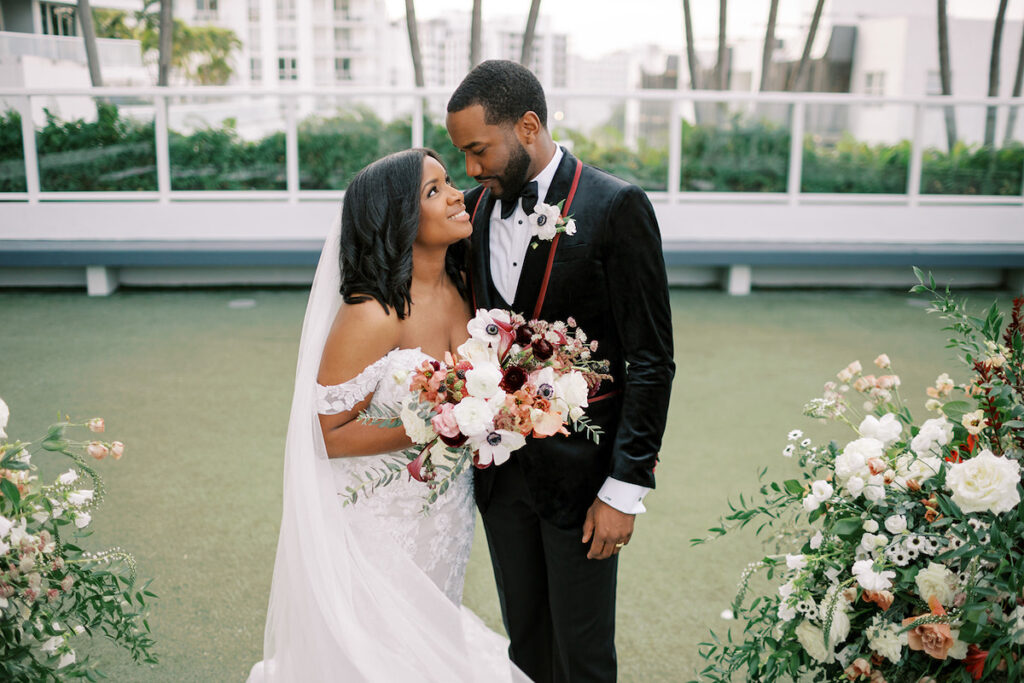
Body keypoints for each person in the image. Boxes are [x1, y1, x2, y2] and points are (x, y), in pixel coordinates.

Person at [248, 148, 527, 682]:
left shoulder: (463, 288)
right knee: (379, 646)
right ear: (399, 218)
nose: (455, 195)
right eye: (434, 190)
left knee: (427, 627)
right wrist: (439, 428)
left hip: (444, 510)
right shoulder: (372, 314)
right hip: (376, 517)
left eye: (448, 182)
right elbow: (324, 434)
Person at [445, 60, 676, 683]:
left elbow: (651, 360)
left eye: (477, 149)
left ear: (526, 126)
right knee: (527, 650)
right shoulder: (470, 214)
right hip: (499, 480)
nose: (470, 168)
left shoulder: (615, 206)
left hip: (585, 486)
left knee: (584, 658)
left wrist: (624, 490)